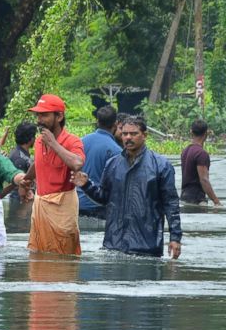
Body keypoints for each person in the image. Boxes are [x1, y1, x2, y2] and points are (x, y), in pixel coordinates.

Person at [72, 116, 182, 258]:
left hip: (147, 246)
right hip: (114, 244)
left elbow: (171, 204)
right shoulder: (112, 164)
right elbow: (104, 198)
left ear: (145, 135)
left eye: (133, 133)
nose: (128, 137)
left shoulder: (161, 165)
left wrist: (175, 238)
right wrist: (87, 185)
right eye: (125, 134)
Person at [23, 94, 85, 256]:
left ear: (59, 117)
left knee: (63, 259)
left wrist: (53, 143)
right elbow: (39, 163)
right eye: (38, 115)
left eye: (44, 115)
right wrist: (26, 180)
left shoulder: (72, 141)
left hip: (62, 211)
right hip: (40, 209)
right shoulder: (39, 141)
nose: (39, 120)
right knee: (37, 257)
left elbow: (77, 163)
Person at [78, 106, 122, 219]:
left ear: (97, 122)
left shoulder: (81, 142)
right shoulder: (116, 150)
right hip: (98, 207)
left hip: (77, 203)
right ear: (116, 124)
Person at [180, 120, 222, 206]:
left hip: (184, 197)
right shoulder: (201, 154)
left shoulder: (185, 151)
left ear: (191, 132)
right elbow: (204, 180)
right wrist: (216, 201)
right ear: (206, 134)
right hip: (197, 199)